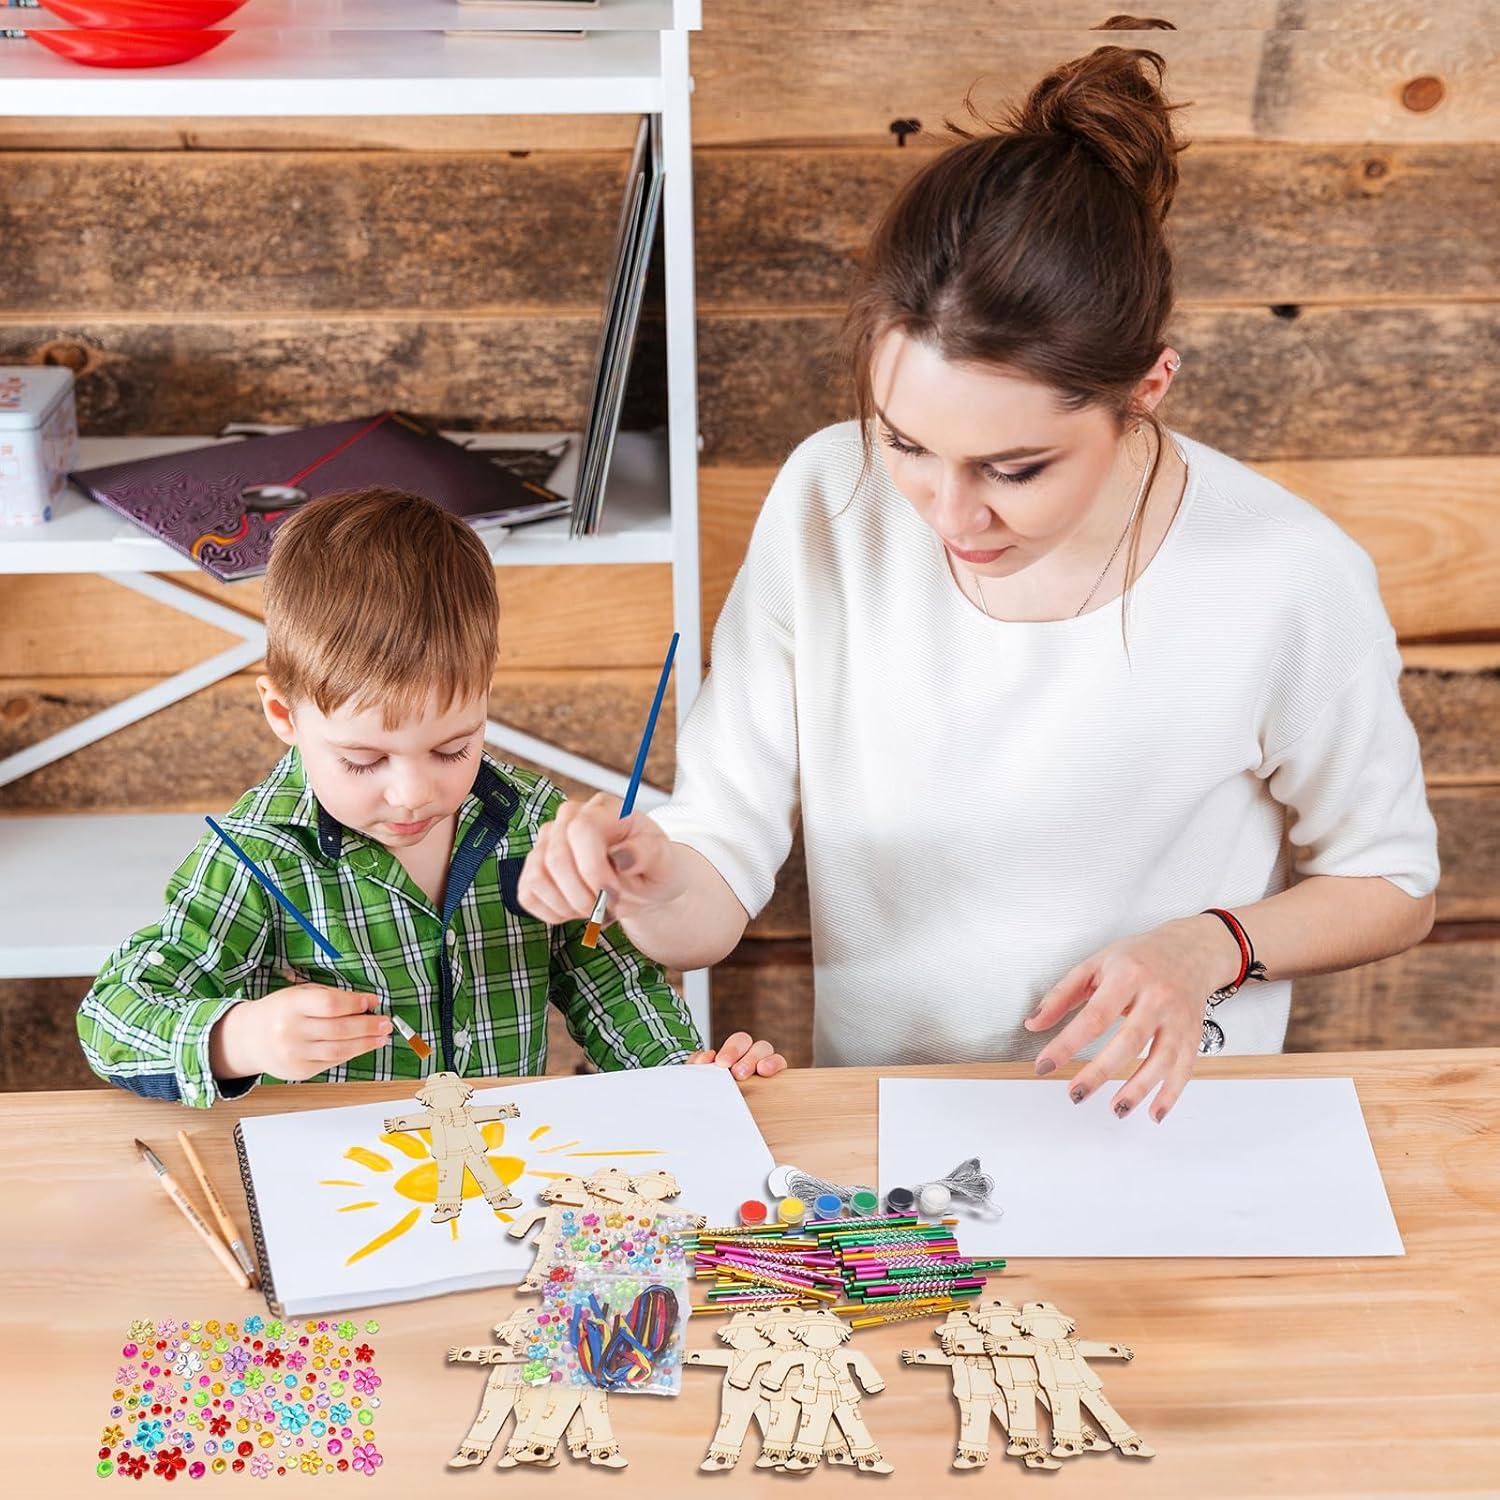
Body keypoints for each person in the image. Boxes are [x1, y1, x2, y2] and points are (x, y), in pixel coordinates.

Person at [515, 46, 1439, 1121]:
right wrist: (645, 874)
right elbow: (710, 891)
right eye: (906, 443)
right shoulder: (826, 498)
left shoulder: (1288, 574)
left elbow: (1393, 884)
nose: (950, 517)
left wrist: (1209, 946)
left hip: (1164, 1133)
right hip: (894, 1131)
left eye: (1015, 469)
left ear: (1146, 389)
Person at [77, 487, 783, 1106]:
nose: (414, 794)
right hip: (341, 1177)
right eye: (363, 760)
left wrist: (678, 1072)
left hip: (509, 1166)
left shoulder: (530, 821)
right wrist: (239, 1038)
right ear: (284, 715)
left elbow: (607, 978)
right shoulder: (258, 855)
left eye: (452, 749)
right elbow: (111, 1019)